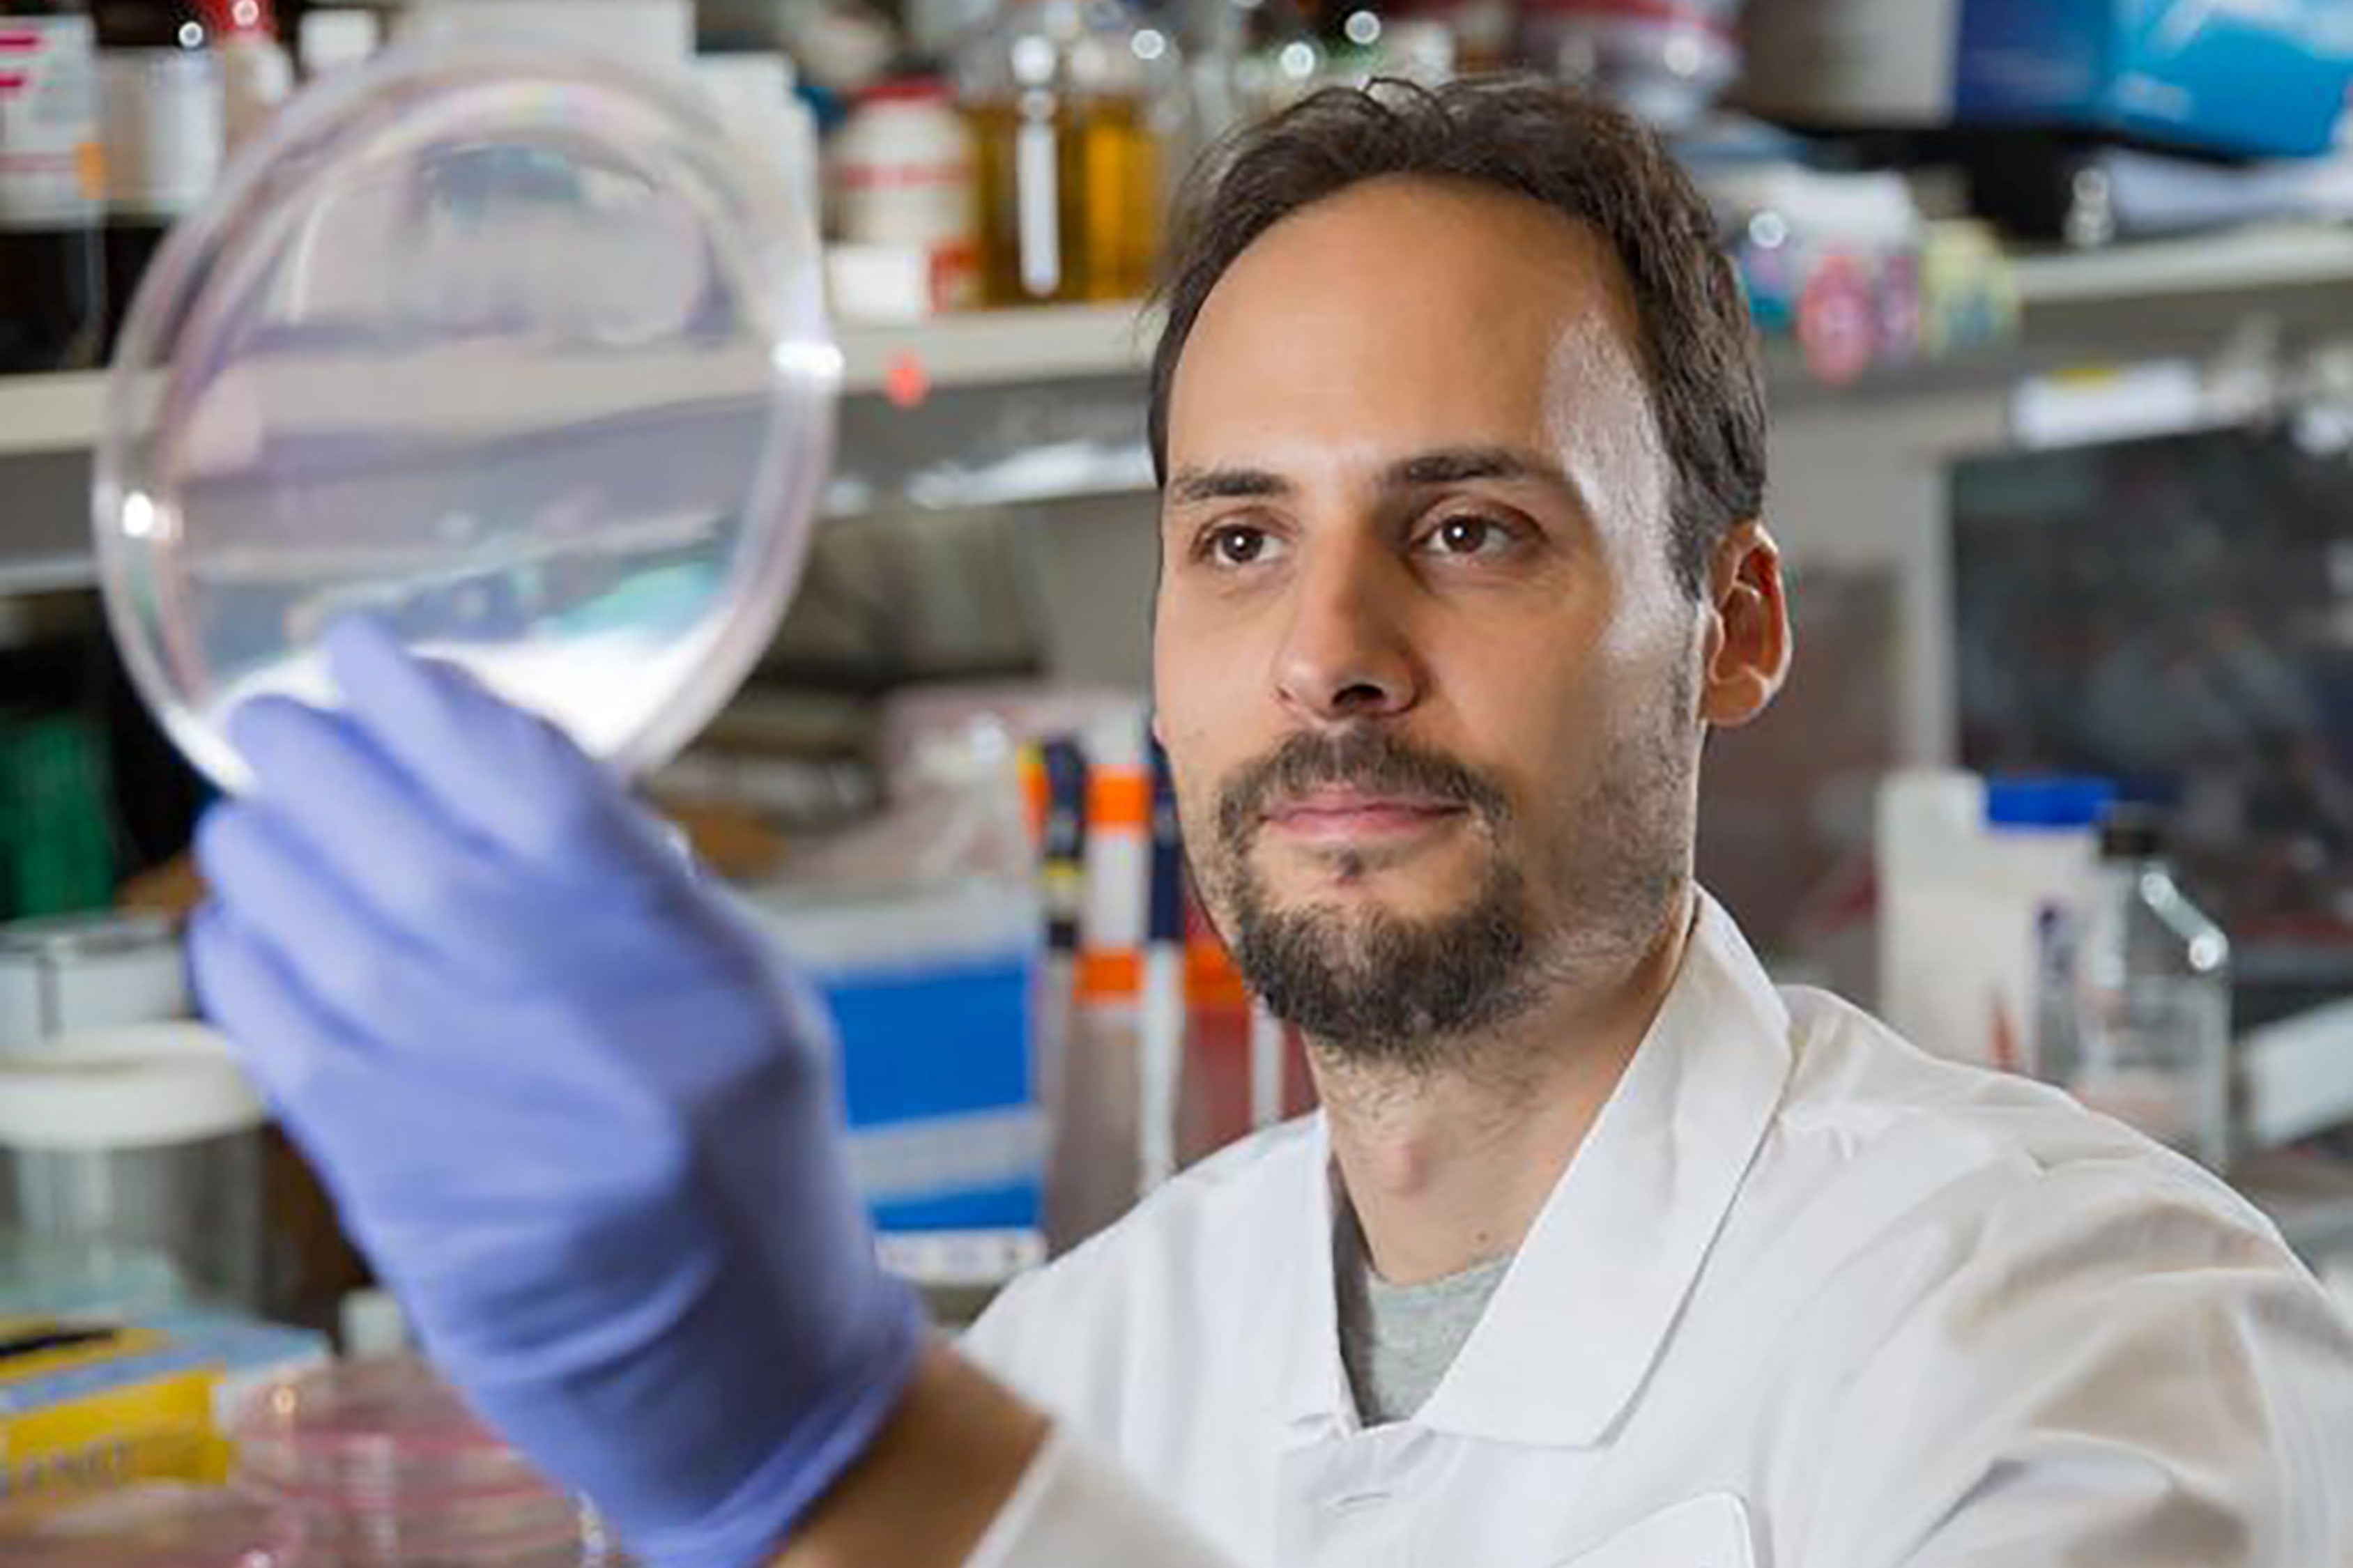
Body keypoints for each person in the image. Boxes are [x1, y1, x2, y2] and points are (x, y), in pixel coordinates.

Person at [191, 78, 2353, 1568]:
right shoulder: (1082, 1352)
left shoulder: (2086, 1330)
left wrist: (861, 1464)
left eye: (1472, 527)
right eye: (1239, 538)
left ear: (1733, 625)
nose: (1329, 649)